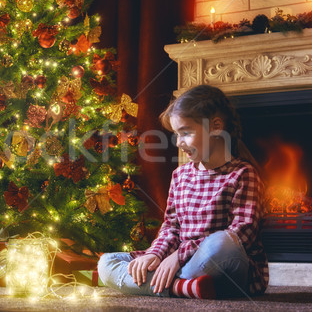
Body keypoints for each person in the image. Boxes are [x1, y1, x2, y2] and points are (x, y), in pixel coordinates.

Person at [97, 85, 268, 299]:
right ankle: (184, 287)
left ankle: (170, 282)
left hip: (228, 269)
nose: (179, 142)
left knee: (223, 241)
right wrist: (155, 254)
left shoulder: (242, 173)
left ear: (216, 127)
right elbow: (171, 227)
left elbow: (243, 233)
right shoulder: (180, 175)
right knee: (107, 262)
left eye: (186, 133)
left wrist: (178, 256)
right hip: (181, 262)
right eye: (177, 134)